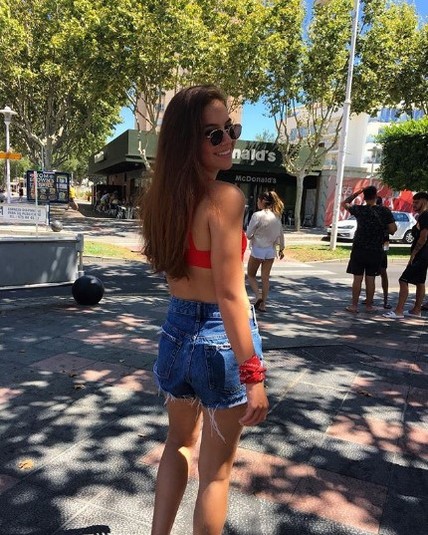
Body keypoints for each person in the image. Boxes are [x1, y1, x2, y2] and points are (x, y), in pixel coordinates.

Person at [140, 85, 269, 535]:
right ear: (186, 141)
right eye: (213, 134)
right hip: (219, 342)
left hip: (175, 334)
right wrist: (253, 376)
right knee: (215, 473)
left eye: (230, 129)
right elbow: (231, 296)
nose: (227, 140)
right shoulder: (226, 199)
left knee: (177, 443)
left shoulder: (158, 201)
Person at [341, 185, 397, 313]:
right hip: (376, 249)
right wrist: (381, 229)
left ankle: (354, 306)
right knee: (371, 278)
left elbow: (344, 203)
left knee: (357, 278)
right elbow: (393, 229)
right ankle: (369, 306)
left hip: (359, 248)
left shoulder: (359, 209)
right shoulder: (385, 211)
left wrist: (358, 192)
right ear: (376, 196)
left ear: (364, 197)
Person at [383, 191, 428, 319]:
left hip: (421, 254)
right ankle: (416, 310)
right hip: (424, 255)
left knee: (403, 280)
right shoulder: (423, 216)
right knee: (420, 282)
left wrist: (414, 254)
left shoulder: (425, 216)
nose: (414, 205)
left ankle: (399, 311)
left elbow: (423, 237)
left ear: (424, 201)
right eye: (413, 202)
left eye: (416, 202)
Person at [246, 190, 285, 312]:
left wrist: (254, 235)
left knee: (251, 275)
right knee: (265, 278)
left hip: (258, 249)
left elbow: (248, 234)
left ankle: (258, 296)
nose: (257, 203)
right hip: (270, 251)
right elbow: (280, 234)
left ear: (262, 201)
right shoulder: (277, 216)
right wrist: (281, 248)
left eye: (258, 200)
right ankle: (263, 304)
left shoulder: (257, 215)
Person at [363, 196, 392, 309]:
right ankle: (374, 299)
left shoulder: (382, 215)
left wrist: (384, 250)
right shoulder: (380, 214)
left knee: (378, 273)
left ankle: (381, 299)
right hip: (378, 247)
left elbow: (390, 231)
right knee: (373, 274)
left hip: (378, 247)